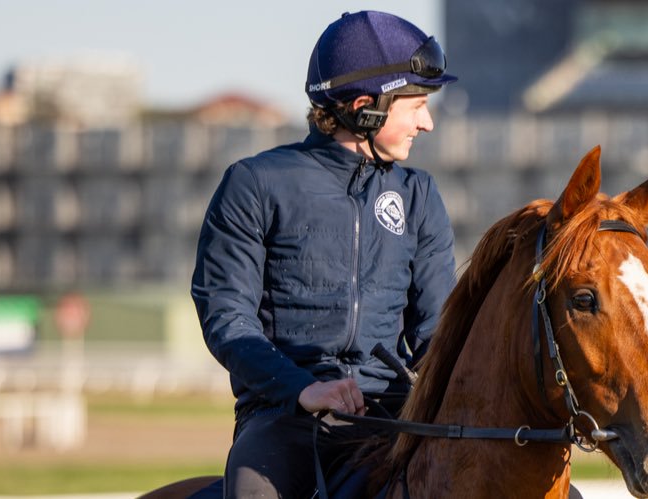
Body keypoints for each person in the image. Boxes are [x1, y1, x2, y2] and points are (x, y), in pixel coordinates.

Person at [191, 10, 458, 498]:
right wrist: (302, 390)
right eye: (416, 105)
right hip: (283, 418)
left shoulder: (421, 194)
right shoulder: (253, 184)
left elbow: (437, 330)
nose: (428, 122)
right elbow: (227, 316)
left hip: (396, 414)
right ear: (365, 107)